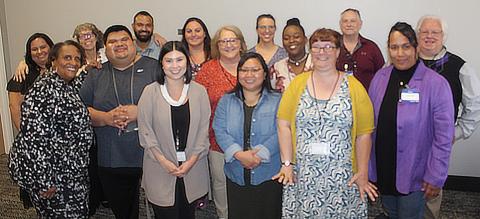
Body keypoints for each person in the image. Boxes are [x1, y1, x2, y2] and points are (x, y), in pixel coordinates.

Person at [273, 28, 377, 218]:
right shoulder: (297, 84)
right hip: (303, 175)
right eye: (317, 47)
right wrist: (286, 163)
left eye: (328, 46)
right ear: (311, 50)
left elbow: (364, 134)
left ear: (338, 51)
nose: (322, 52)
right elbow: (283, 124)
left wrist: (363, 171)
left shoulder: (354, 86)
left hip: (343, 177)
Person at [368, 22, 455, 218]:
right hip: (384, 169)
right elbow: (370, 125)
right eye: (394, 47)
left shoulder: (436, 84)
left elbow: (444, 137)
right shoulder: (380, 78)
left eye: (406, 46)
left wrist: (436, 176)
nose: (400, 53)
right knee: (391, 212)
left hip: (415, 174)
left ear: (416, 47)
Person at [79, 25, 158, 219]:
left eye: (124, 39)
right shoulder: (96, 74)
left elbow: (171, 103)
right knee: (124, 210)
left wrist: (140, 112)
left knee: (161, 206)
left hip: (152, 153)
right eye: (113, 42)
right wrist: (106, 118)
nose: (119, 44)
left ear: (133, 43)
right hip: (112, 156)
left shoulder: (153, 67)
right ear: (105, 49)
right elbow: (81, 111)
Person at [9, 40, 93, 218]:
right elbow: (33, 140)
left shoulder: (62, 84)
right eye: (67, 57)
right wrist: (45, 181)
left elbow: (66, 99)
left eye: (77, 59)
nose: (73, 62)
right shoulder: (43, 90)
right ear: (53, 60)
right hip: (55, 176)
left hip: (68, 170)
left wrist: (87, 71)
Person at [416, 15, 480, 219]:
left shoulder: (459, 67)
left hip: (437, 140)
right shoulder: (403, 60)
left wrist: (457, 132)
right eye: (424, 32)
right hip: (404, 138)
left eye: (435, 32)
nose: (429, 36)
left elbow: (474, 106)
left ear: (444, 36)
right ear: (418, 35)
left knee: (430, 189)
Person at [138, 41, 210, 219]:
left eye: (179, 59)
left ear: (187, 62)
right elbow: (146, 132)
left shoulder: (199, 92)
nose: (175, 66)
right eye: (169, 61)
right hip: (159, 168)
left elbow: (204, 131)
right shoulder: (150, 92)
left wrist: (191, 161)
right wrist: (164, 162)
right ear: (161, 64)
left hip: (193, 168)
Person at [213, 52, 282, 219]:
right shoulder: (227, 100)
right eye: (244, 70)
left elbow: (281, 131)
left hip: (268, 174)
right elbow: (219, 129)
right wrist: (239, 154)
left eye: (255, 70)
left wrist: (258, 155)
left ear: (265, 73)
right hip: (236, 173)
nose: (249, 75)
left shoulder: (278, 99)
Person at [195, 25, 247, 219]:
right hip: (217, 142)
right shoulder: (208, 70)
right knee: (221, 185)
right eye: (223, 41)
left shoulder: (252, 65)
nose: (228, 45)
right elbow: (197, 105)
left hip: (250, 140)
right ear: (217, 45)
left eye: (233, 40)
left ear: (241, 43)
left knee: (249, 185)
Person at [336, 8, 385, 90]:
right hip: (338, 99)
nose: (349, 24)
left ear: (360, 24)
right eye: (345, 21)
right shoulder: (333, 47)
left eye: (353, 21)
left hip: (366, 98)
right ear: (340, 24)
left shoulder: (371, 48)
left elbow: (382, 75)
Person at [270, 18, 311, 92]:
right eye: (286, 38)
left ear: (305, 40)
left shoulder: (317, 63)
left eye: (296, 37)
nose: (291, 41)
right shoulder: (277, 68)